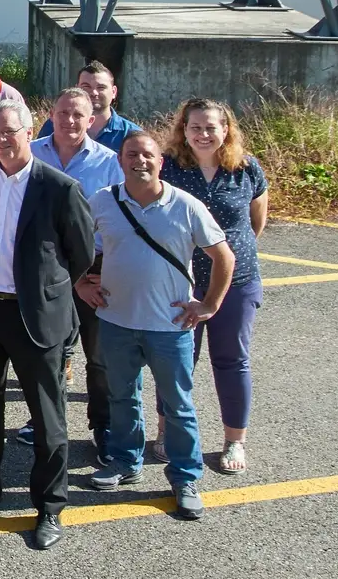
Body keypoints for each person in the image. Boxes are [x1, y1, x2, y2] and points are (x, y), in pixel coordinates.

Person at [0, 99, 95, 552]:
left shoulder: (60, 188)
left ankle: (49, 505)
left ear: (29, 131)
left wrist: (46, 289)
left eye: (9, 131)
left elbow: (80, 255)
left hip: (35, 313)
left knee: (48, 417)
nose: (1, 140)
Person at [81, 132, 234, 521]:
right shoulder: (102, 201)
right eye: (132, 155)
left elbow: (223, 256)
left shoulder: (185, 206)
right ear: (121, 160)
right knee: (122, 396)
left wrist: (210, 304)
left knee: (178, 405)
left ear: (160, 161)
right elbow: (71, 243)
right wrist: (81, 281)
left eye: (147, 155)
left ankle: (184, 477)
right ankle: (124, 461)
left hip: (170, 326)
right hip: (116, 321)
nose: (140, 161)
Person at [160, 98, 268, 475]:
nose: (203, 134)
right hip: (180, 281)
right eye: (195, 128)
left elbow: (255, 223)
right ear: (183, 131)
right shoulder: (168, 167)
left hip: (236, 282)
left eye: (211, 127)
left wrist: (228, 258)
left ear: (226, 130)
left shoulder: (247, 168)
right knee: (175, 361)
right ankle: (166, 431)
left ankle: (234, 439)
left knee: (231, 361)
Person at [24, 87, 125, 456]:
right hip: (41, 267)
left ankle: (103, 425)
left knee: (99, 355)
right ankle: (43, 419)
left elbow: (118, 219)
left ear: (92, 120)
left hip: (94, 267)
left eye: (78, 115)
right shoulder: (31, 153)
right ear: (51, 113)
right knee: (45, 348)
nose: (69, 120)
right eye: (62, 112)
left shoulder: (109, 162)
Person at [36, 60, 141, 152]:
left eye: (101, 87)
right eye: (86, 87)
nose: (94, 92)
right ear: (77, 89)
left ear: (114, 92)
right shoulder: (53, 125)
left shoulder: (130, 133)